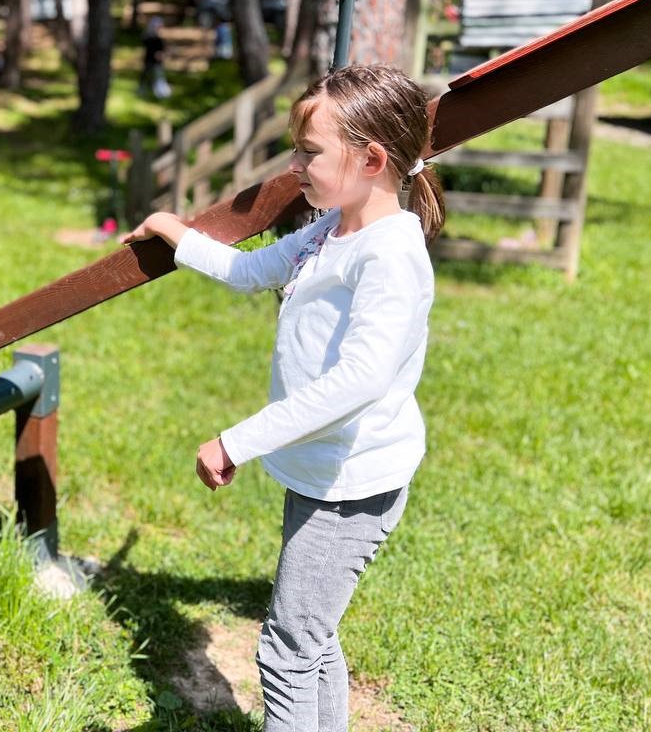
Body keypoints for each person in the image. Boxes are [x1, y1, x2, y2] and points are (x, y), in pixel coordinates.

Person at [120, 64, 444, 732]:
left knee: (288, 650)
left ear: (371, 158)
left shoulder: (388, 256)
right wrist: (176, 233)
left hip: (349, 487)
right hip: (323, 473)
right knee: (312, 637)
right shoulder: (334, 228)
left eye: (310, 151)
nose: (294, 164)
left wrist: (237, 440)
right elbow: (250, 269)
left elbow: (359, 381)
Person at [138, 16, 168, 99]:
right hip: (149, 60)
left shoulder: (158, 39)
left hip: (156, 62)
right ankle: (142, 90)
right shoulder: (149, 37)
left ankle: (159, 92)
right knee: (146, 75)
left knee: (158, 76)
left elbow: (161, 51)